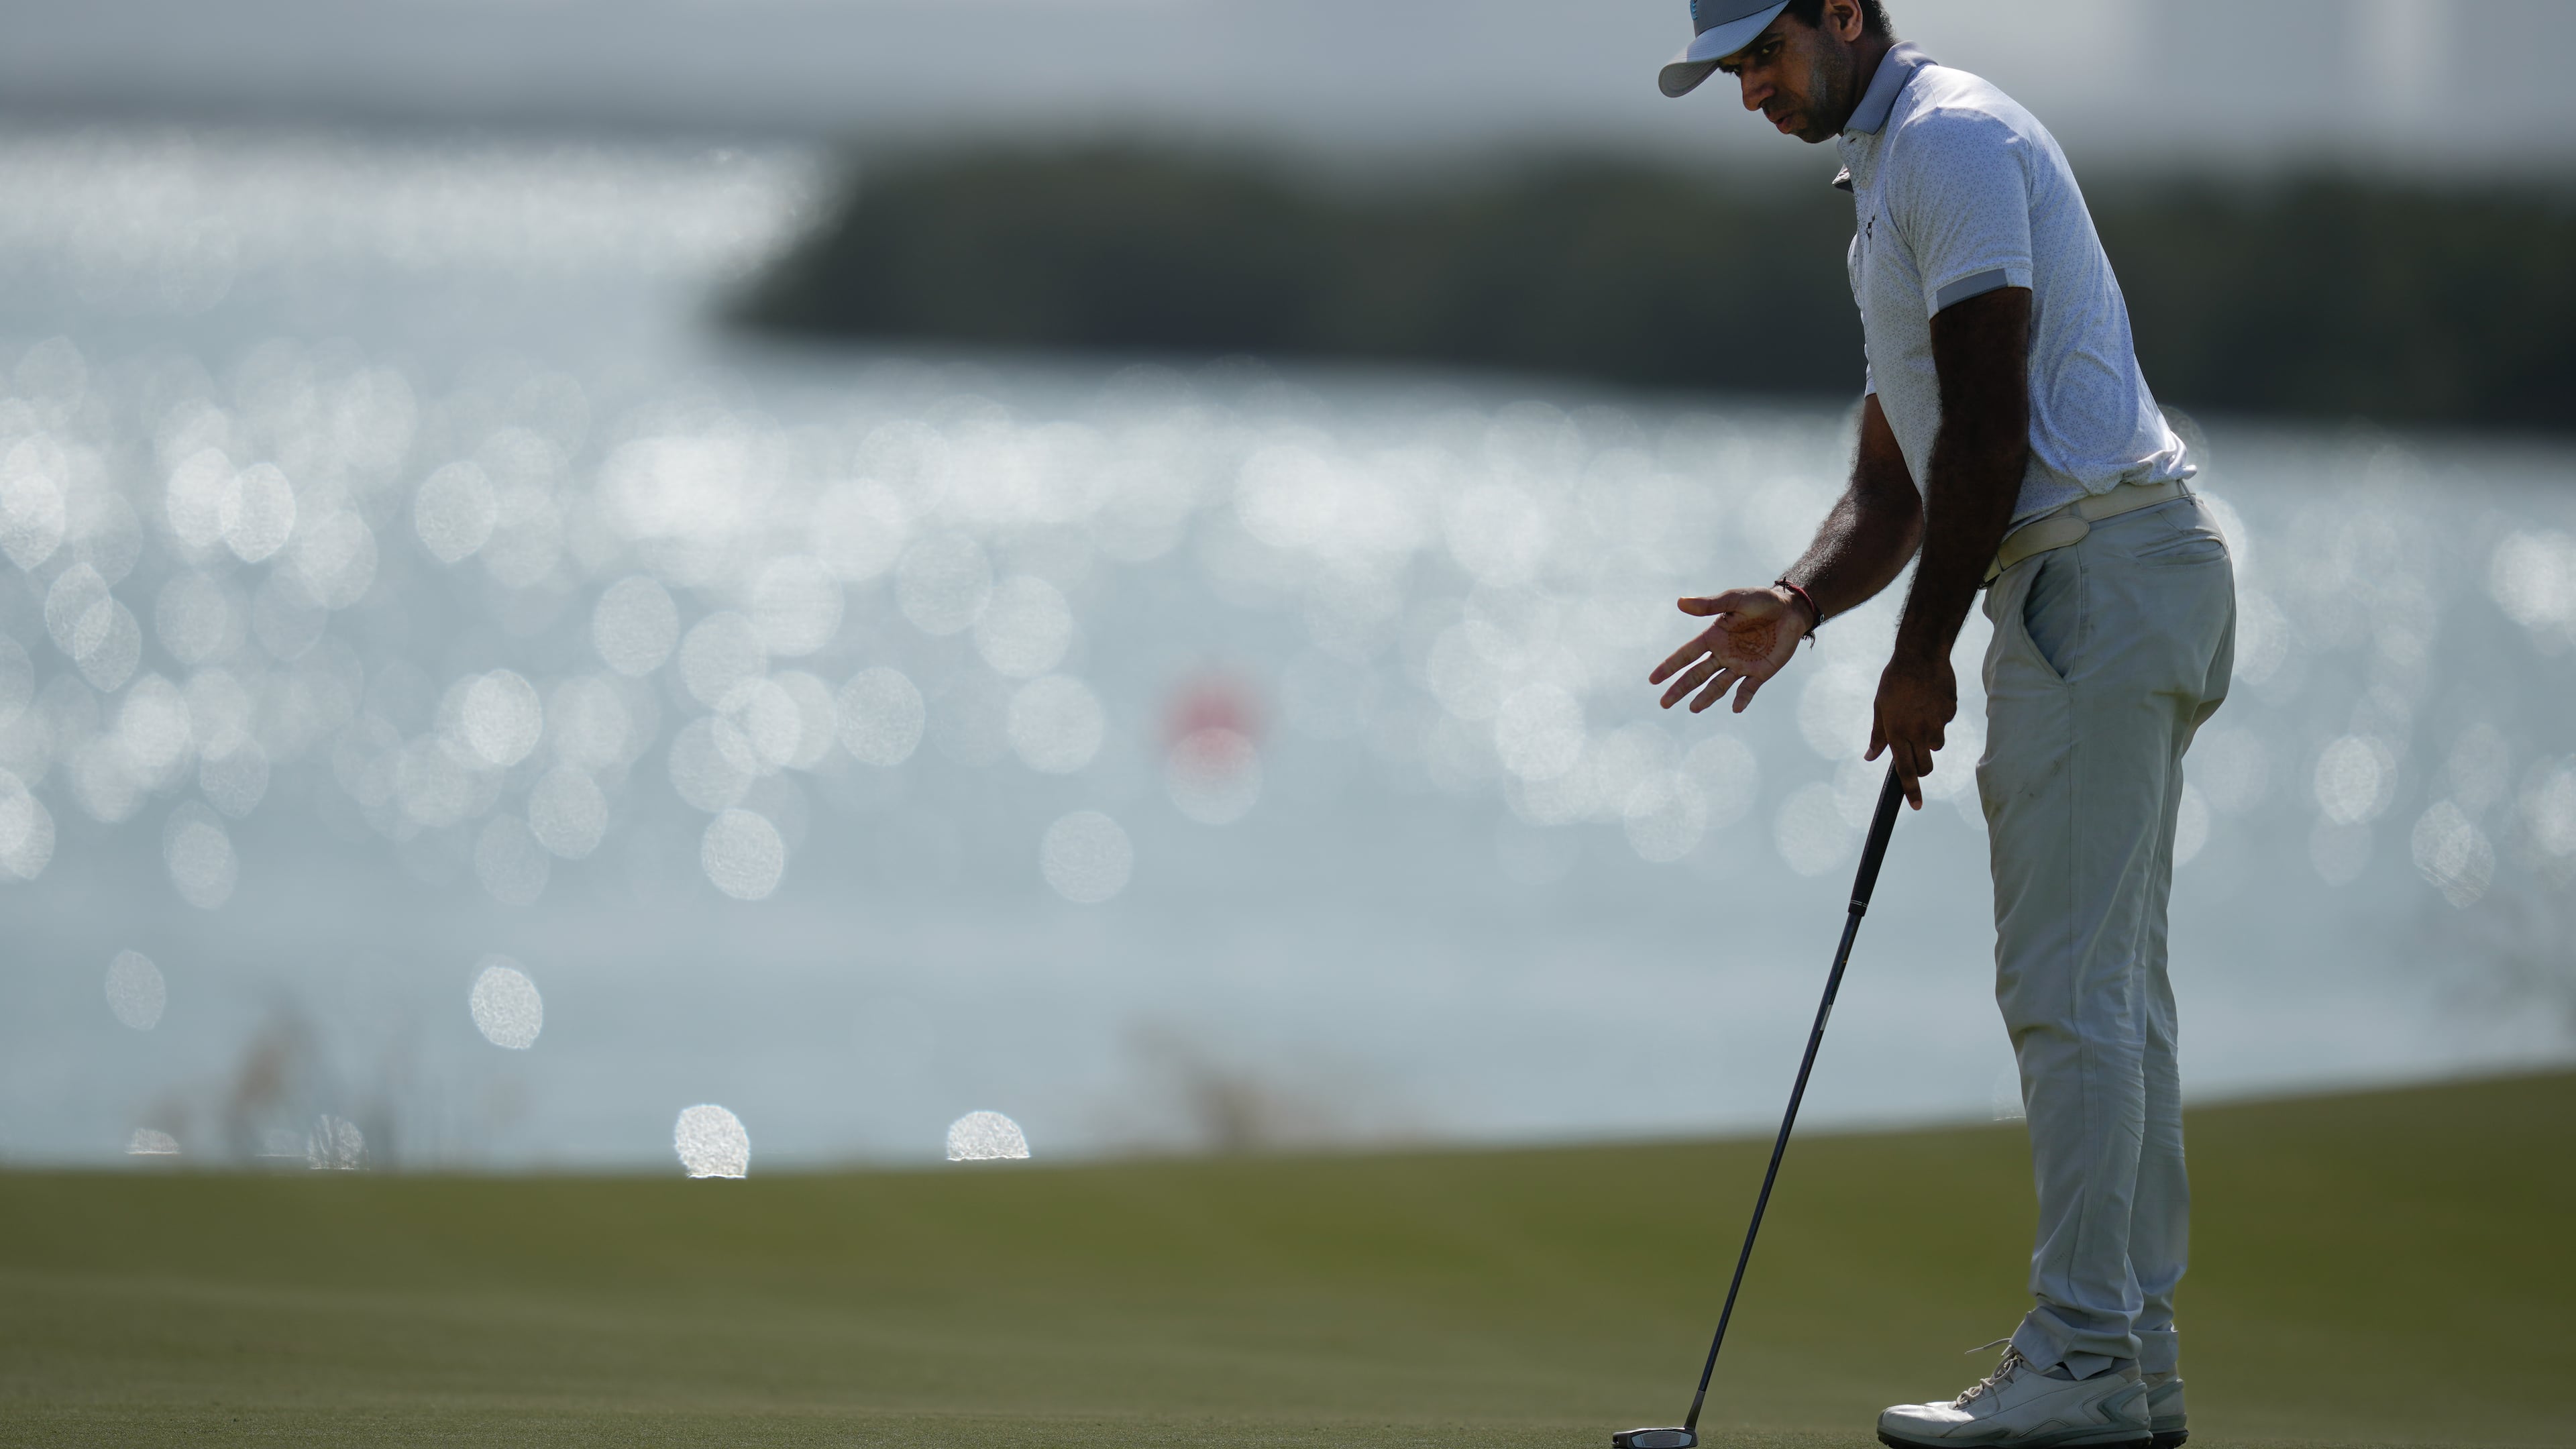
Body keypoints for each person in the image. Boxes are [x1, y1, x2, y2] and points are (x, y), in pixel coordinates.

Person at [1646, 4, 2236, 1448]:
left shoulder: (1951, 143)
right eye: (1731, 73)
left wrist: (1922, 659)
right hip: (2116, 574)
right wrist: (1803, 600)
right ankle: (2132, 1365)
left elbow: (1990, 428)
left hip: (2094, 573)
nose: (1751, 91)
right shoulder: (1891, 179)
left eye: (1765, 54)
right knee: (2115, 997)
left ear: (1845, 14)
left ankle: (2086, 1356)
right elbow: (1900, 473)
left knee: (2071, 993)